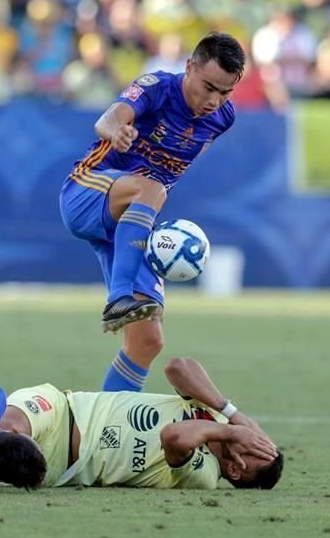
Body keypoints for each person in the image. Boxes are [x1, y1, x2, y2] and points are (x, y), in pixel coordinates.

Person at [60, 32, 244, 392]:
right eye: (208, 87)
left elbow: (185, 156)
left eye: (225, 92)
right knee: (151, 185)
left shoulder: (223, 118)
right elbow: (108, 119)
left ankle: (107, 428)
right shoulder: (158, 86)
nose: (214, 100)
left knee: (148, 341)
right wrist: (117, 133)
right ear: (189, 67)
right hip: (87, 191)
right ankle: (118, 298)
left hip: (133, 221)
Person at [0, 357, 283, 490]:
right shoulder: (217, 414)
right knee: (8, 430)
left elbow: (173, 436)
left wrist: (230, 429)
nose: (252, 437)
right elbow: (177, 367)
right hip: (63, 407)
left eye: (255, 448)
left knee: (2, 452)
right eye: (260, 438)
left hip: (59, 460)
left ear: (235, 469)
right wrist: (231, 412)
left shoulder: (205, 476)